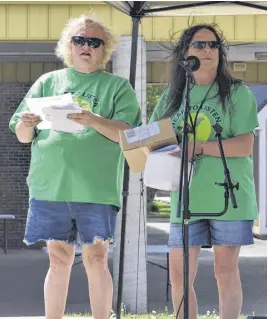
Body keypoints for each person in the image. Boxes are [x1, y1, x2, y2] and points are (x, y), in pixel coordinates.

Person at [9, 12, 141, 319]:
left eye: (94, 41)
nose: (86, 45)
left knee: (96, 258)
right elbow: (23, 135)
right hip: (50, 186)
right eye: (79, 39)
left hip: (96, 189)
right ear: (68, 46)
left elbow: (128, 134)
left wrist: (93, 120)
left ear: (104, 49)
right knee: (58, 259)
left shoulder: (118, 87)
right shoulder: (48, 82)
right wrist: (27, 123)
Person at [150, 23, 258, 319]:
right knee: (179, 274)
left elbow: (244, 145)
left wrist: (198, 147)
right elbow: (153, 139)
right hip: (185, 198)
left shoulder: (237, 93)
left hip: (229, 195)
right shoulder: (173, 97)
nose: (207, 50)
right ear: (186, 54)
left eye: (213, 45)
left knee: (225, 271)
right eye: (199, 45)